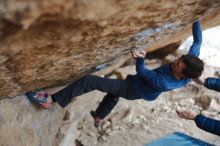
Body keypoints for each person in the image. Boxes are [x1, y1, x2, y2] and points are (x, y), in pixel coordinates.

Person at [26, 21, 204, 128]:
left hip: (134, 88)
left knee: (90, 81)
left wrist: (140, 58)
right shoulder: (190, 63)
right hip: (141, 88)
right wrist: (196, 17)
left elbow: (141, 72)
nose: (176, 60)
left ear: (182, 74)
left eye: (178, 63)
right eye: (180, 58)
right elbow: (197, 40)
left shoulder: (164, 83)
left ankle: (52, 101)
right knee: (113, 92)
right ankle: (99, 116)